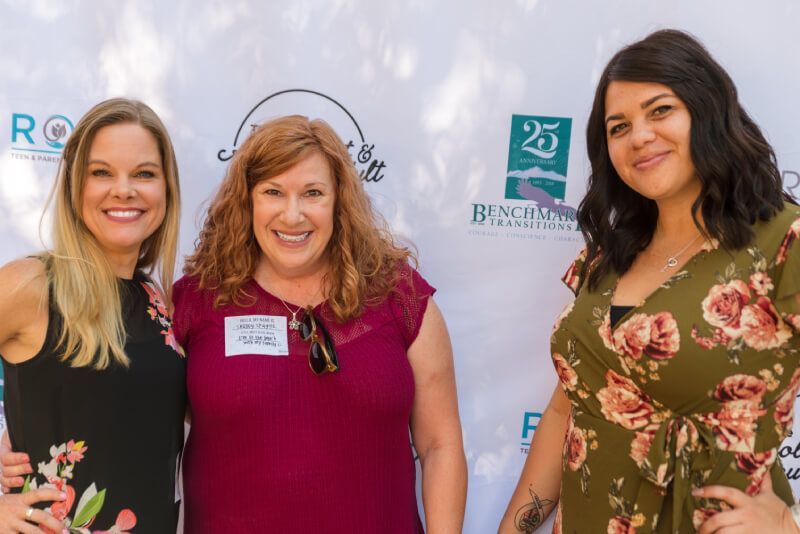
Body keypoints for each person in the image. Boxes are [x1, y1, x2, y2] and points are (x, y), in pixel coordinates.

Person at [499, 29, 800, 533]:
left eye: (660, 111)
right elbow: (563, 412)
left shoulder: (783, 242)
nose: (639, 136)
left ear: (707, 111)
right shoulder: (606, 256)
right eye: (619, 127)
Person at [172, 115, 467, 533]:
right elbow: (135, 423)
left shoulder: (401, 297)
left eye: (312, 193)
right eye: (273, 192)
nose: (292, 215)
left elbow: (440, 446)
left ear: (338, 201)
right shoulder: (194, 301)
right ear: (248, 200)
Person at [0, 98, 186, 533]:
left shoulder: (157, 299)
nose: (124, 189)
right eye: (101, 172)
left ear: (166, 190)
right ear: (74, 187)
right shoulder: (33, 284)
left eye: (144, 173)